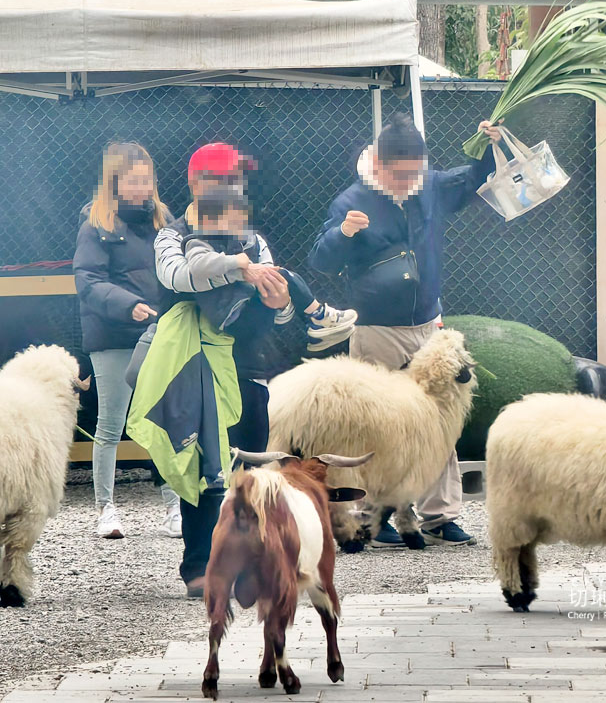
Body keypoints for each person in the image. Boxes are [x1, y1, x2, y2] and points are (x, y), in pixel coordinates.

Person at [309, 114, 502, 548]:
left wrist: (489, 146)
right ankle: (371, 518)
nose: (407, 182)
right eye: (399, 174)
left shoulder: (427, 185)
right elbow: (320, 260)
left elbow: (474, 179)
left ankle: (440, 517)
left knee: (440, 419)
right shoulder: (351, 201)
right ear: (377, 164)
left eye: (414, 173)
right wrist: (343, 233)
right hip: (376, 327)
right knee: (375, 424)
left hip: (428, 324)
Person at [153, 142, 294, 597]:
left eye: (237, 178)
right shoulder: (171, 235)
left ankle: (249, 566)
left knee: (250, 470)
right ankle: (200, 565)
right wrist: (239, 269)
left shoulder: (252, 238)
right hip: (195, 369)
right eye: (224, 178)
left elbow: (278, 306)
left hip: (248, 363)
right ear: (197, 183)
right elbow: (177, 277)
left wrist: (282, 303)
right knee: (202, 469)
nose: (234, 186)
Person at [73, 142, 182, 540]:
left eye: (146, 180)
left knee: (165, 421)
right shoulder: (96, 223)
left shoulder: (164, 221)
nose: (142, 188)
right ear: (114, 182)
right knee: (111, 424)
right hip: (113, 336)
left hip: (159, 333)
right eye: (133, 181)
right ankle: (106, 509)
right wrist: (128, 305)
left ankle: (175, 506)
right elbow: (88, 280)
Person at [182, 186, 356, 347]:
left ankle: (317, 322)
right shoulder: (197, 241)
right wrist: (236, 262)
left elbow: (258, 269)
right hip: (229, 314)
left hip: (242, 306)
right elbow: (198, 266)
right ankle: (318, 316)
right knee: (279, 276)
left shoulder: (238, 239)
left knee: (280, 275)